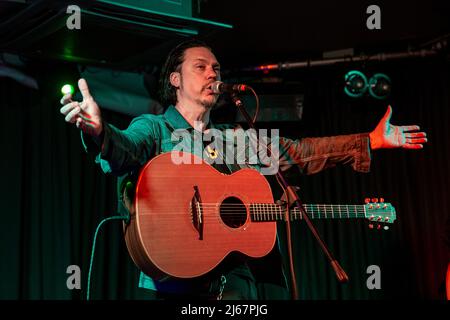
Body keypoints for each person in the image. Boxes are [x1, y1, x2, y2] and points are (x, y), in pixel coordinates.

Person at [60, 39, 427, 300]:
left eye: (216, 68)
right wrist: (98, 130)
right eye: (200, 66)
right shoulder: (156, 128)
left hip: (241, 286)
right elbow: (124, 149)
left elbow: (298, 153)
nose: (211, 73)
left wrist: (370, 141)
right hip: (175, 283)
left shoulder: (237, 137)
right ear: (175, 79)